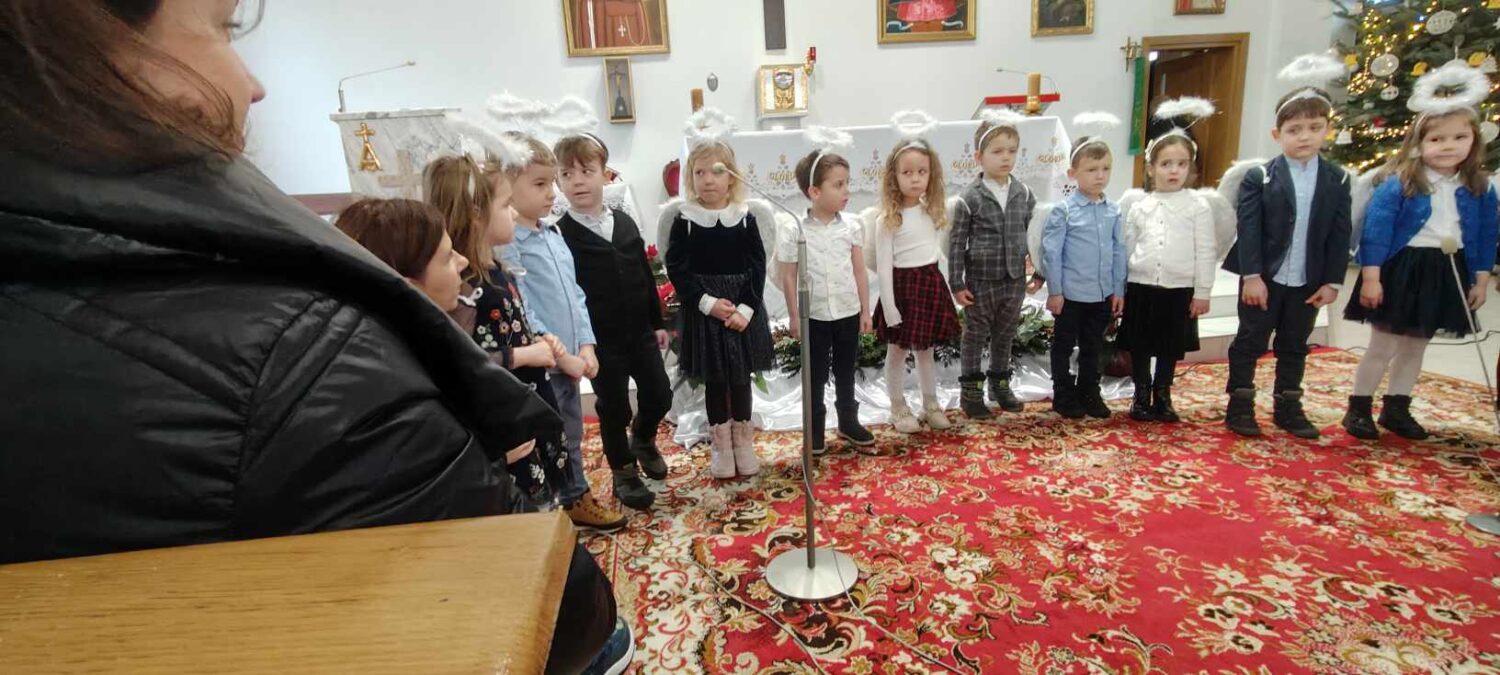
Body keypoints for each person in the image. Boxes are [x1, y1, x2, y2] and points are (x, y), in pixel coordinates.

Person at [0, 3, 621, 672]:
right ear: (90, 45)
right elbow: (554, 610)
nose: (254, 85)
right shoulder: (301, 348)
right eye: (224, 27)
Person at [1341, 70, 1498, 441]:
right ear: (1418, 142)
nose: (1448, 146)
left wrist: (1480, 279)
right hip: (1402, 269)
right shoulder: (1400, 183)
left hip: (1445, 269)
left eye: (1459, 138)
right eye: (1437, 139)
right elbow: (1376, 232)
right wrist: (1371, 277)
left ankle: (1397, 407)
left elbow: (1485, 235)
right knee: (1383, 345)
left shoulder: (1480, 187)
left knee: (1416, 345)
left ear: (1474, 140)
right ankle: (1358, 408)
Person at [423, 153, 573, 508]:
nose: (514, 213)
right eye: (506, 205)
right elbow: (460, 361)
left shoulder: (497, 270)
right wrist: (523, 354)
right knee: (523, 507)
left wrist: (537, 340)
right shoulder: (463, 285)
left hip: (527, 400)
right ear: (477, 215)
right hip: (505, 416)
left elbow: (507, 327)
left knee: (547, 499)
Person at [499, 134, 629, 530]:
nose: (552, 193)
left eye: (551, 182)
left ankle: (572, 496)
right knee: (553, 438)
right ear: (507, 187)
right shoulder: (510, 242)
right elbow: (522, 306)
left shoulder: (552, 234)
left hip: (571, 359)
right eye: (540, 184)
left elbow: (575, 294)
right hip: (545, 363)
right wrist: (563, 356)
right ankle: (568, 498)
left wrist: (586, 345)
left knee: (571, 431)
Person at [1221, 85, 1352, 439]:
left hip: (1308, 280)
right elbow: (1249, 229)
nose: (1304, 137)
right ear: (1277, 135)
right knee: (1250, 340)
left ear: (1327, 130)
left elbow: (1340, 233)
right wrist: (1252, 276)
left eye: (1314, 128)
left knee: (1295, 342)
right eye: (1294, 130)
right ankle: (1240, 404)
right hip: (1264, 278)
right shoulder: (1260, 177)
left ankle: (1288, 405)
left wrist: (1333, 280)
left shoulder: (1337, 179)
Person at [553, 133, 672, 508]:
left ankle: (644, 437)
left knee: (660, 393)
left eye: (586, 171)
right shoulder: (561, 234)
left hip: (639, 331)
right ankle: (623, 472)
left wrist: (657, 322)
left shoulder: (624, 223)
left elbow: (644, 274)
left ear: (606, 174)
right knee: (614, 406)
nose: (577, 181)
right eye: (567, 174)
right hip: (600, 339)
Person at [661, 108, 775, 479]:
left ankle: (743, 442)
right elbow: (677, 268)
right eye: (700, 172)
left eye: (717, 171)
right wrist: (707, 303)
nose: (708, 179)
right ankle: (721, 446)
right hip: (706, 310)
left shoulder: (745, 216)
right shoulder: (684, 219)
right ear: (691, 177)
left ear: (732, 177)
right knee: (715, 380)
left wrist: (746, 308)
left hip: (741, 309)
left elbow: (758, 266)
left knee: (740, 378)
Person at [777, 148, 875, 453]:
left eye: (847, 183)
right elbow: (789, 276)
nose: (847, 191)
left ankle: (848, 420)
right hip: (815, 315)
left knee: (846, 370)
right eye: (839, 184)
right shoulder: (795, 229)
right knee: (815, 374)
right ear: (815, 191)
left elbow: (859, 270)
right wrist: (794, 316)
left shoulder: (851, 226)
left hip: (847, 311)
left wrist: (865, 310)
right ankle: (815, 429)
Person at [868, 116, 961, 434]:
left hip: (929, 284)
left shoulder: (931, 211)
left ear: (931, 174)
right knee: (897, 351)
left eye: (922, 172)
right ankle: (897, 405)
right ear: (893, 177)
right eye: (907, 173)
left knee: (926, 350)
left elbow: (936, 253)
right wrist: (890, 307)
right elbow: (883, 267)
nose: (915, 178)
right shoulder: (887, 219)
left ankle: (930, 404)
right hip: (902, 288)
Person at [1118, 124, 1217, 423]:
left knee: (1169, 345)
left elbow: (1206, 251)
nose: (1174, 170)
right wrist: (1120, 288)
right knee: (1140, 344)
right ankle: (1140, 394)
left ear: (1190, 167)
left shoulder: (1198, 207)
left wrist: (1202, 292)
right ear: (1151, 168)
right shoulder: (1140, 206)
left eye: (1181, 164)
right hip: (1141, 285)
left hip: (1179, 288)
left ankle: (1162, 394)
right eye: (1166, 164)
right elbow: (1127, 248)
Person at [949, 111, 1040, 420]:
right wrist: (957, 283)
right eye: (997, 151)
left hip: (1014, 279)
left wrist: (1039, 270)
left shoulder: (1023, 193)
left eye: (1012, 151)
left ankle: (1000, 386)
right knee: (975, 335)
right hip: (981, 280)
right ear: (979, 156)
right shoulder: (969, 197)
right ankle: (970, 393)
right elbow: (956, 243)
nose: (1006, 157)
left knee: (1005, 333)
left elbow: (1035, 235)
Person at [1041, 129, 1128, 420]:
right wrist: (1055, 291)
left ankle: (1089, 390)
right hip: (1071, 295)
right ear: (1073, 173)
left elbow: (1119, 251)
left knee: (1094, 345)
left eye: (1105, 169)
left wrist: (1118, 289)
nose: (1100, 176)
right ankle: (1063, 393)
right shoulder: (1064, 211)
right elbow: (1052, 254)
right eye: (1091, 169)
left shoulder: (1113, 211)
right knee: (1064, 346)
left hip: (1101, 294)